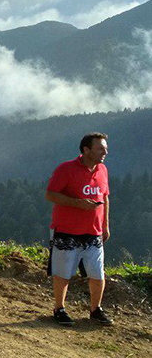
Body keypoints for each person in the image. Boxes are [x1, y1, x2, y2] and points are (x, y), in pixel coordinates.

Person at [45, 133, 113, 327]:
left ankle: (96, 309)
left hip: (93, 232)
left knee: (97, 273)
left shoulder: (103, 170)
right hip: (66, 231)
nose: (105, 152)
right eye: (100, 148)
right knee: (63, 273)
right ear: (86, 150)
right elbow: (50, 195)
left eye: (105, 148)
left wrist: (105, 225)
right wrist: (77, 204)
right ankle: (59, 308)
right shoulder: (66, 169)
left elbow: (105, 197)